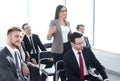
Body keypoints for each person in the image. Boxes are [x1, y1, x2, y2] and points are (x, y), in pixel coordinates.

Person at [47, 5, 71, 81]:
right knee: (59, 69)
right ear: (58, 12)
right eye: (62, 11)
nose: (64, 12)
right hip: (57, 50)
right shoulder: (53, 22)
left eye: (65, 11)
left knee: (67, 69)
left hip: (68, 47)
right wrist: (50, 32)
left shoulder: (67, 23)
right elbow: (48, 38)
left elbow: (70, 36)